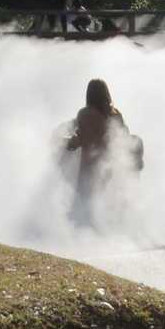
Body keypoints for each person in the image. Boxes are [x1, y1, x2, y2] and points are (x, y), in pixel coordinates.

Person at [64, 78, 144, 225]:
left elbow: (81, 137)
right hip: (111, 169)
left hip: (90, 169)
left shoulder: (86, 114)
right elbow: (125, 137)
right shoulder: (115, 114)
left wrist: (65, 142)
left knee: (84, 209)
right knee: (107, 209)